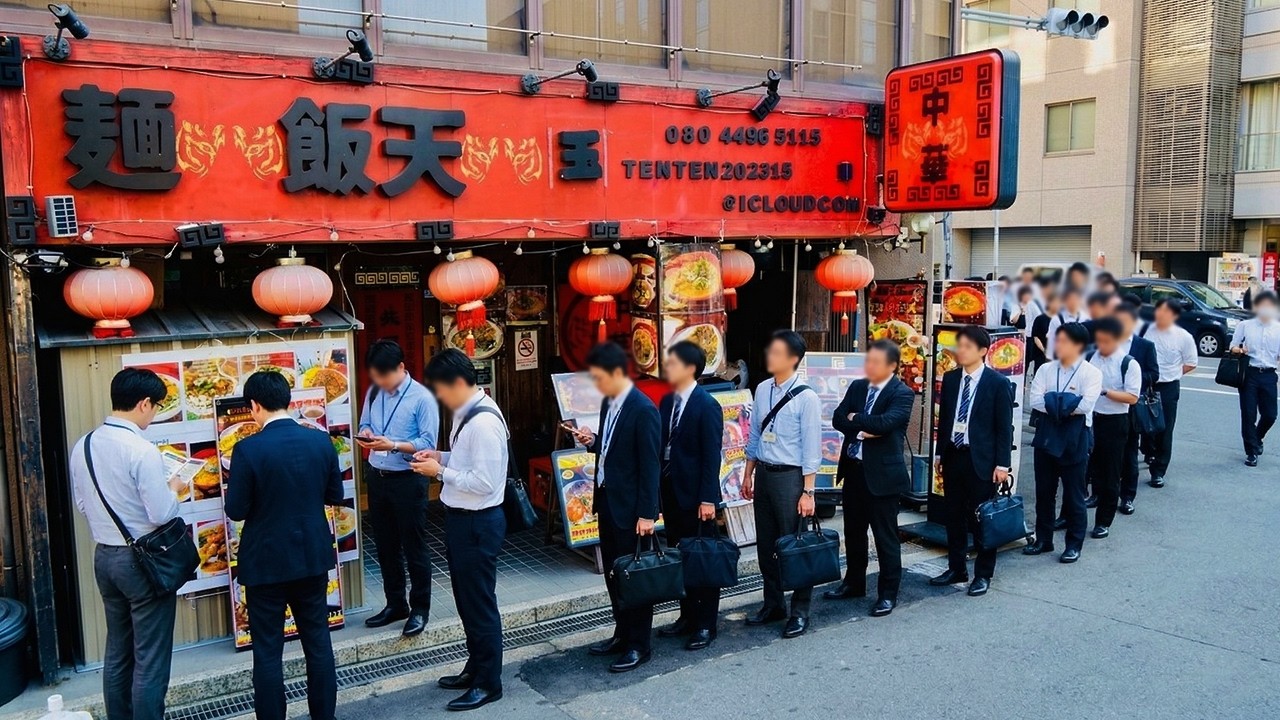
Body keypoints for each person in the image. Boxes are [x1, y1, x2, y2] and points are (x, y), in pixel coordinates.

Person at [226, 372, 343, 720]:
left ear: (254, 406)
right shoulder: (320, 442)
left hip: (264, 563)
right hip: (311, 555)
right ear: (288, 401)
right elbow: (334, 495)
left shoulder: (246, 449)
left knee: (266, 651)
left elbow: (236, 510)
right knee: (318, 643)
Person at [70, 368, 185, 720]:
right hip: (143, 563)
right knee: (150, 659)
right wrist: (176, 489)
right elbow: (162, 513)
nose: (154, 414)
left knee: (118, 650)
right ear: (144, 403)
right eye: (156, 407)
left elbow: (83, 505)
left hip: (105, 558)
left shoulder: (84, 445)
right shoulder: (141, 450)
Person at [409, 349, 508, 711]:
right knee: (468, 602)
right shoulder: (466, 413)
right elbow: (467, 465)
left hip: (477, 523)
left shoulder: (482, 423)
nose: (439, 396)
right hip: (463, 521)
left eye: (440, 388)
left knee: (479, 604)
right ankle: (476, 668)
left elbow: (483, 481)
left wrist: (438, 473)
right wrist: (440, 457)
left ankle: (488, 682)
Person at [568, 343, 661, 672]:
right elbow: (610, 449)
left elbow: (650, 466)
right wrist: (592, 440)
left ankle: (639, 644)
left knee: (633, 576)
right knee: (613, 574)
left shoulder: (644, 409)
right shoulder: (610, 403)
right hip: (607, 500)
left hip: (632, 509)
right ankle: (622, 633)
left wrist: (648, 514)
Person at [823, 340, 914, 616]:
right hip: (854, 470)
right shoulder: (858, 386)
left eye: (876, 362)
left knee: (885, 537)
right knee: (853, 532)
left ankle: (887, 593)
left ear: (892, 366)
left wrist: (857, 422)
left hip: (883, 476)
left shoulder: (902, 393)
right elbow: (838, 419)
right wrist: (864, 426)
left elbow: (886, 423)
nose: (869, 366)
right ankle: (854, 582)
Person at [743, 330, 821, 638]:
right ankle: (772, 604)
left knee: (795, 546)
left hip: (791, 478)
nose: (769, 357)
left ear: (792, 359)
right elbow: (754, 435)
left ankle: (799, 611)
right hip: (764, 473)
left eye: (776, 352)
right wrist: (748, 472)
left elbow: (811, 448)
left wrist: (808, 491)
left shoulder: (807, 397)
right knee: (767, 545)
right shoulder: (762, 389)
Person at [358, 339, 439, 636]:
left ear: (401, 368)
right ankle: (396, 603)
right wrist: (366, 433)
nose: (379, 382)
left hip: (408, 478)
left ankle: (420, 608)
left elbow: (428, 444)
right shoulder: (375, 390)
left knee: (413, 545)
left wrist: (392, 444)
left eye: (385, 376)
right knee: (385, 545)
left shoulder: (422, 398)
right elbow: (365, 422)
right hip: (378, 477)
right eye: (375, 376)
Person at [929, 326, 1014, 596]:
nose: (959, 351)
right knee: (953, 515)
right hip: (954, 455)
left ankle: (983, 573)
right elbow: (944, 420)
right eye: (959, 345)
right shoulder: (952, 379)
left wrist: (1002, 464)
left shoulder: (997, 383)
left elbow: (1004, 427)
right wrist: (940, 453)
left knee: (981, 518)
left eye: (966, 346)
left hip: (983, 461)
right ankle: (957, 567)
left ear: (982, 351)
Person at [654, 341, 724, 651]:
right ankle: (686, 616)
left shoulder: (707, 405)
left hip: (697, 496)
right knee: (680, 555)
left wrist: (708, 499)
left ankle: (706, 623)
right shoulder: (668, 401)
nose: (667, 368)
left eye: (673, 363)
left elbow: (712, 456)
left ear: (690, 368)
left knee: (702, 559)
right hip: (671, 490)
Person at [1025, 323, 1102, 563]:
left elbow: (1085, 405)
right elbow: (1035, 400)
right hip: (1047, 435)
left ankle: (1073, 544)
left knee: (1074, 494)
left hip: (1075, 437)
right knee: (1044, 492)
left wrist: (1053, 401)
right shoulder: (1046, 369)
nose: (1057, 345)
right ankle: (1043, 539)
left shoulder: (1091, 373)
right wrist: (1066, 401)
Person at [1085, 318, 1141, 539]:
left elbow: (1132, 397)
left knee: (1111, 472)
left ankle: (1104, 520)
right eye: (1099, 340)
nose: (1102, 345)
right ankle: (1093, 496)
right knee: (1092, 466)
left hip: (1115, 421)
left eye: (1106, 341)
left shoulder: (1128, 363)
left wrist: (1104, 391)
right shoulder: (1092, 357)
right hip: (1092, 418)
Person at [1141, 298, 1198, 489]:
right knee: (1145, 425)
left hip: (1168, 387)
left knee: (1165, 429)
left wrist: (1173, 374)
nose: (1159, 315)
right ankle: (1149, 451)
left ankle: (1158, 471)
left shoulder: (1183, 336)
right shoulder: (1147, 331)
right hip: (1147, 384)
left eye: (1164, 312)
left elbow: (1191, 363)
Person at [1114, 303, 1159, 508]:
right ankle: (1101, 493)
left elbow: (1154, 374)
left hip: (1131, 405)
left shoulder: (1144, 346)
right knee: (1104, 453)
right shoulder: (1105, 344)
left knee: (1130, 452)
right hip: (1108, 406)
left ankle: (1127, 496)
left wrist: (1134, 378)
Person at [1229, 291, 1280, 467]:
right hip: (1249, 373)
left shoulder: (1278, 328)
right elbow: (1232, 346)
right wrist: (1241, 350)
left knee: (1270, 415)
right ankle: (1251, 452)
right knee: (1248, 414)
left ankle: (1257, 437)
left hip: (1269, 374)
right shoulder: (1246, 326)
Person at [1046, 286, 1087, 361]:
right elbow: (1051, 341)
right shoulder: (1057, 319)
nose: (1073, 302)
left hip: (1081, 360)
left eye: (1076, 298)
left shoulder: (1085, 318)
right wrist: (1049, 359)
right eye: (1070, 299)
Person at [1028, 291, 1059, 377]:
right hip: (1041, 352)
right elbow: (1035, 337)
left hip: (1056, 352)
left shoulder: (1060, 318)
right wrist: (1045, 350)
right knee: (1040, 374)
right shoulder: (1040, 319)